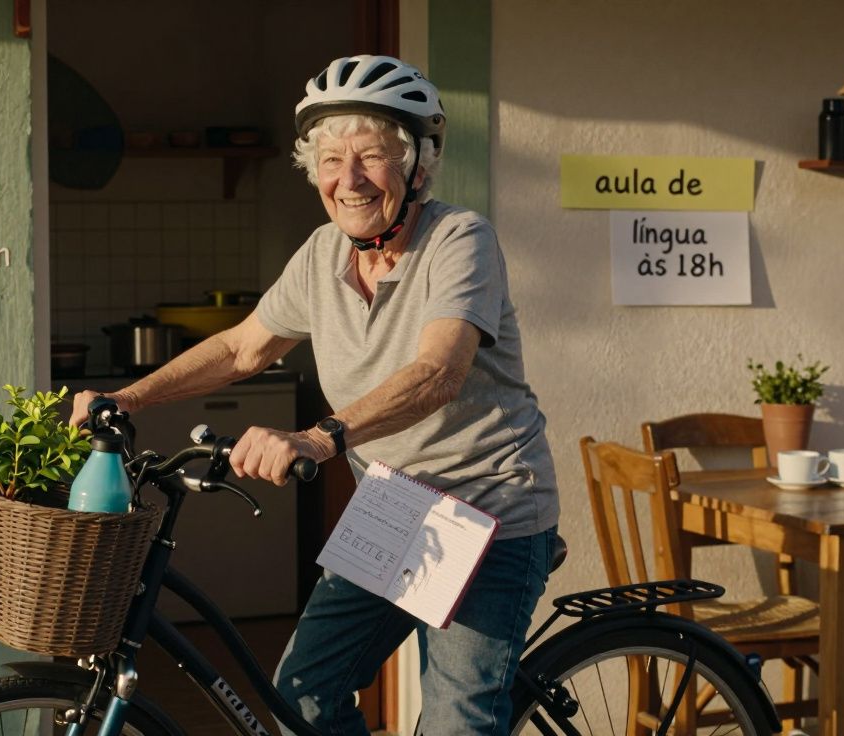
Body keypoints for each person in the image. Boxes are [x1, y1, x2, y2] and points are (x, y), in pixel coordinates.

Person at [71, 54, 559, 735]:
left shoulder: (460, 240)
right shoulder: (323, 254)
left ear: (418, 164)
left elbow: (438, 374)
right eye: (330, 159)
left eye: (372, 156)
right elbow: (242, 347)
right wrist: (131, 398)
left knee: (457, 720)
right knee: (301, 696)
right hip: (398, 506)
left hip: (489, 508)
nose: (348, 179)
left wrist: (315, 436)